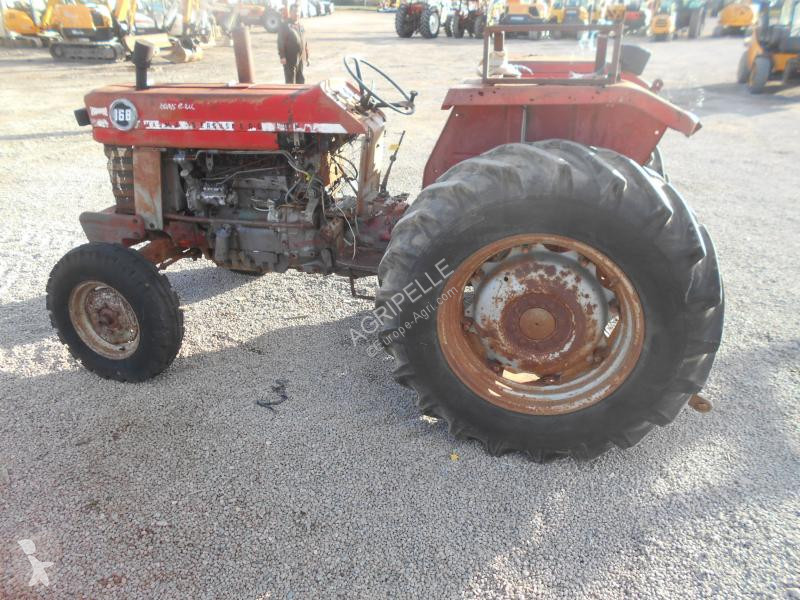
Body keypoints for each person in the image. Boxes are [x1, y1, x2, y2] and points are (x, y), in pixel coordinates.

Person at [277, 4, 309, 84]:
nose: (296, 14)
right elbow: (280, 41)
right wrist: (282, 56)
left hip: (300, 58)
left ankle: (300, 96)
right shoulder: (285, 25)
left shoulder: (301, 26)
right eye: (294, 11)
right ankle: (290, 96)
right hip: (289, 58)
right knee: (290, 81)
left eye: (298, 12)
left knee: (300, 79)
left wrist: (307, 57)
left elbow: (304, 42)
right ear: (290, 12)